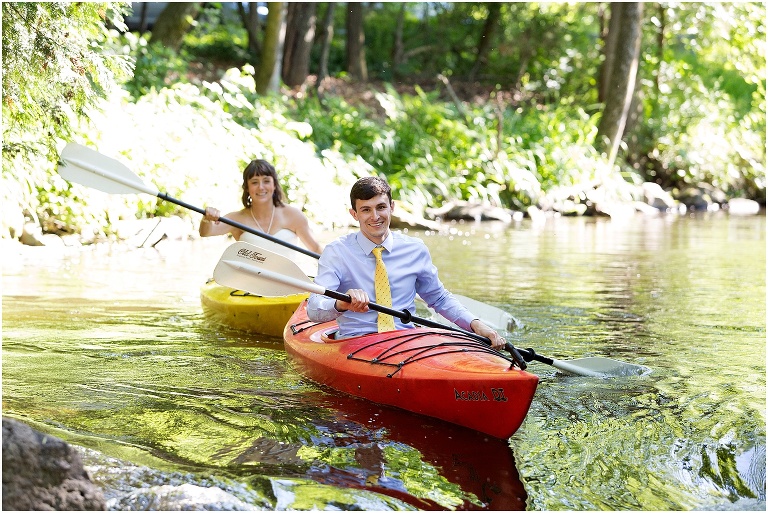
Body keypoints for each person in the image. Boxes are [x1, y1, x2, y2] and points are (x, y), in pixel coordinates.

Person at [307, 176, 506, 348]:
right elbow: (314, 308)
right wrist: (341, 303)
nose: (375, 216)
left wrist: (475, 324)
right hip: (355, 342)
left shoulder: (415, 249)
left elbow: (439, 298)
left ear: (392, 207)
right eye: (366, 210)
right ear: (354, 214)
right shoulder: (336, 252)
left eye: (381, 207)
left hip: (405, 342)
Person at [199, 159, 323, 256]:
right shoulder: (236, 218)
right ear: (247, 188)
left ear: (274, 185)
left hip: (287, 284)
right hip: (250, 284)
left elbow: (316, 249)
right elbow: (206, 232)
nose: (261, 187)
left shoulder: (294, 215)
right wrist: (207, 219)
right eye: (254, 182)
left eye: (266, 181)